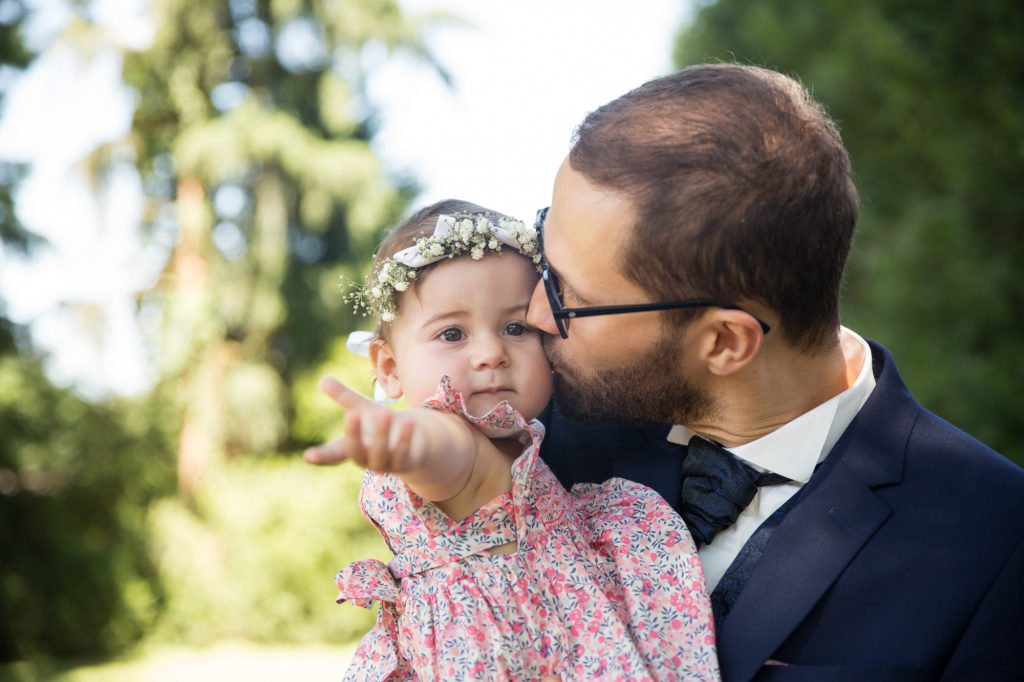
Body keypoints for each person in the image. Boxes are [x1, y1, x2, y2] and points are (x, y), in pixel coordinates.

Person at [523, 63, 1024, 681]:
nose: (533, 312)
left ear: (727, 342)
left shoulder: (999, 548)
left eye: (571, 297)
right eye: (542, 248)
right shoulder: (533, 435)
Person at [304, 199, 719, 681]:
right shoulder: (455, 439)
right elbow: (452, 459)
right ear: (390, 368)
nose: (491, 353)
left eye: (516, 327)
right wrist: (407, 443)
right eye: (453, 333)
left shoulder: (534, 444)